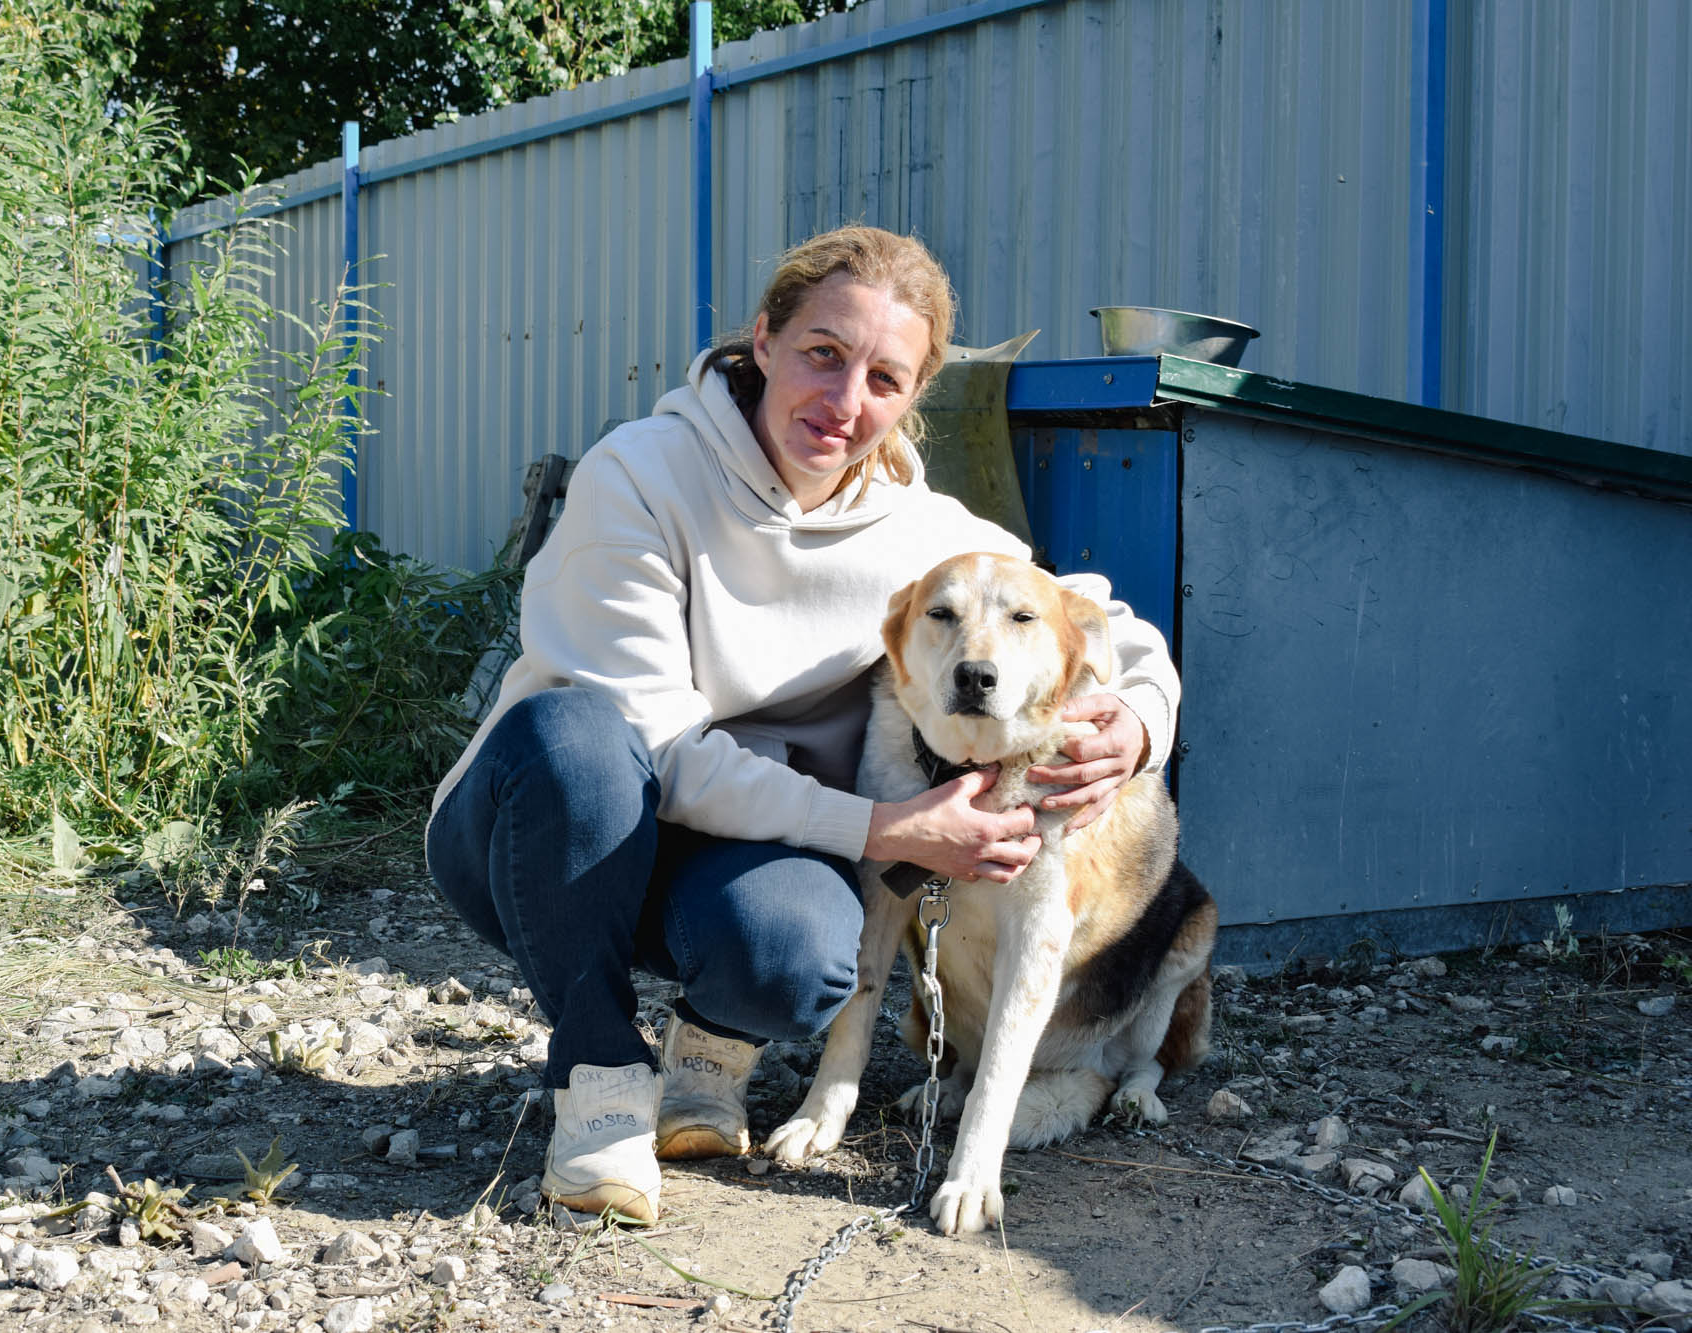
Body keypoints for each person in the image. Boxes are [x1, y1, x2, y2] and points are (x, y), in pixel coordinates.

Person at [425, 226, 1178, 1224]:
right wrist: (883, 832)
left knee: (803, 947)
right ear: (763, 339)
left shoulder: (918, 532)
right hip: (546, 828)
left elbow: (1096, 615)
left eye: (883, 377)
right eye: (822, 353)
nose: (843, 401)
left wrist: (1135, 720)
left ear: (913, 398)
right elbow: (655, 750)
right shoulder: (639, 477)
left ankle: (706, 1047)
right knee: (578, 736)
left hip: (730, 846)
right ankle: (600, 1079)